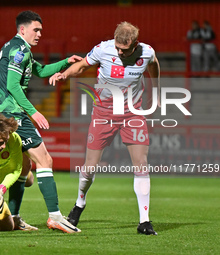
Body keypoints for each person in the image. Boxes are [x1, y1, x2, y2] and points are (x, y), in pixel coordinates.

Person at [49, 21, 160, 235]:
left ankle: (144, 221)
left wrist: (156, 88)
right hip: (104, 113)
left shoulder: (146, 53)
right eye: (117, 47)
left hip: (132, 113)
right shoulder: (103, 49)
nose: (119, 52)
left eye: (124, 49)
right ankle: (79, 204)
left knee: (141, 164)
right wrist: (64, 74)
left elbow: (154, 64)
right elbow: (81, 65)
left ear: (135, 44)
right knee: (90, 167)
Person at [0, 10, 82, 233]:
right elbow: (13, 85)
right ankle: (55, 217)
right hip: (13, 113)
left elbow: (40, 70)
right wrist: (34, 112)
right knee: (45, 160)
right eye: (36, 29)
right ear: (23, 29)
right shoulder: (20, 50)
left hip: (2, 112)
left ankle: (13, 218)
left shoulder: (16, 48)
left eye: (41, 30)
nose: (40, 34)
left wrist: (65, 62)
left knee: (24, 167)